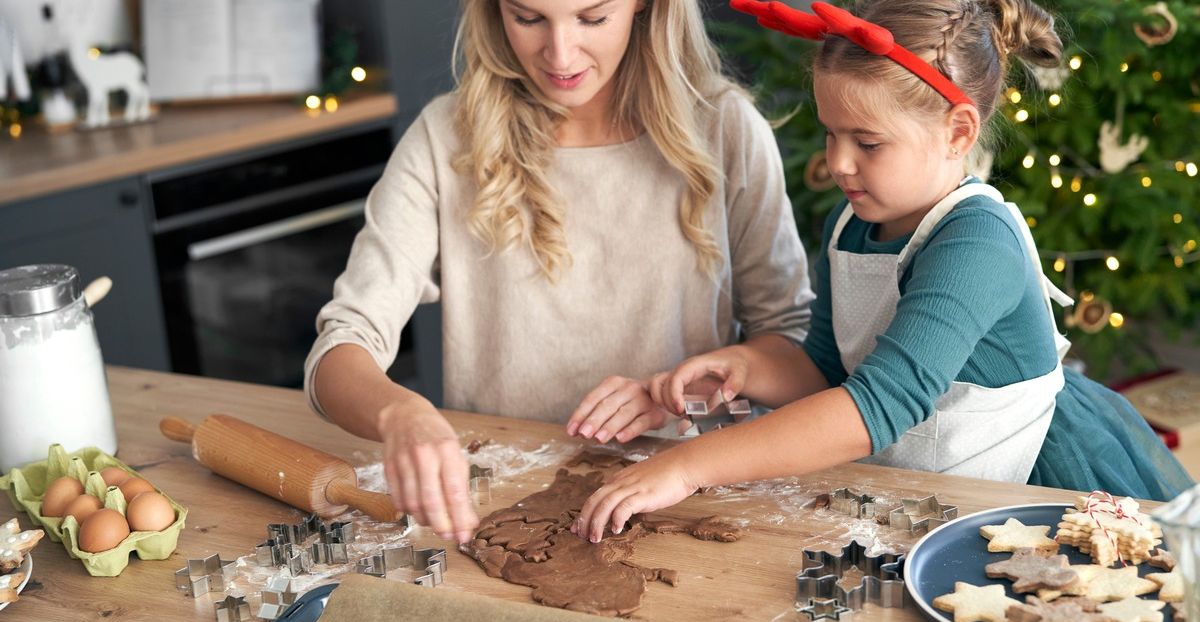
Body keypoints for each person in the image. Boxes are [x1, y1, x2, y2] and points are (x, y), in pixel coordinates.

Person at [572, 0, 1194, 543]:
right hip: (933, 492)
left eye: (867, 143)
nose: (839, 162)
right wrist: (744, 367)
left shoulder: (978, 243)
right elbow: (824, 368)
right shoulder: (850, 224)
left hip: (1032, 487)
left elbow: (877, 407)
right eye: (830, 134)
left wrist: (689, 465)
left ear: (957, 131)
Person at [304, 0, 816, 543]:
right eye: (528, 18)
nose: (560, 53)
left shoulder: (725, 129)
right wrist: (398, 415)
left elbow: (790, 353)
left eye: (592, 18)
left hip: (689, 504)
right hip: (496, 505)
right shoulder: (445, 138)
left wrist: (686, 395)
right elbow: (340, 347)